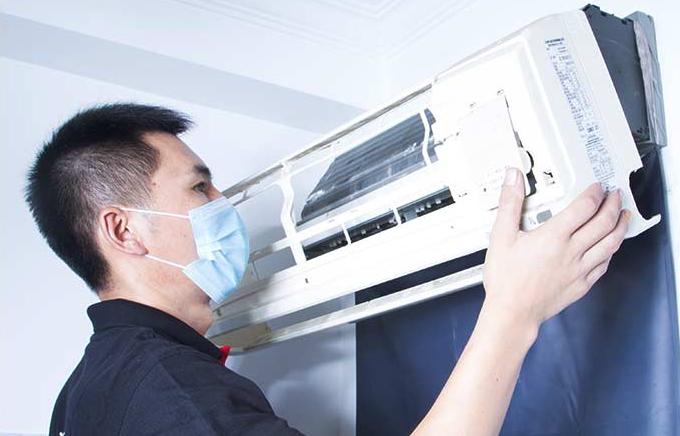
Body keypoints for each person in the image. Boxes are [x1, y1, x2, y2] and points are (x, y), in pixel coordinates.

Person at [26, 103, 629, 436]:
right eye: (200, 187)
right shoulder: (175, 394)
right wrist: (514, 311)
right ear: (123, 230)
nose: (222, 204)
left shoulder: (84, 396)